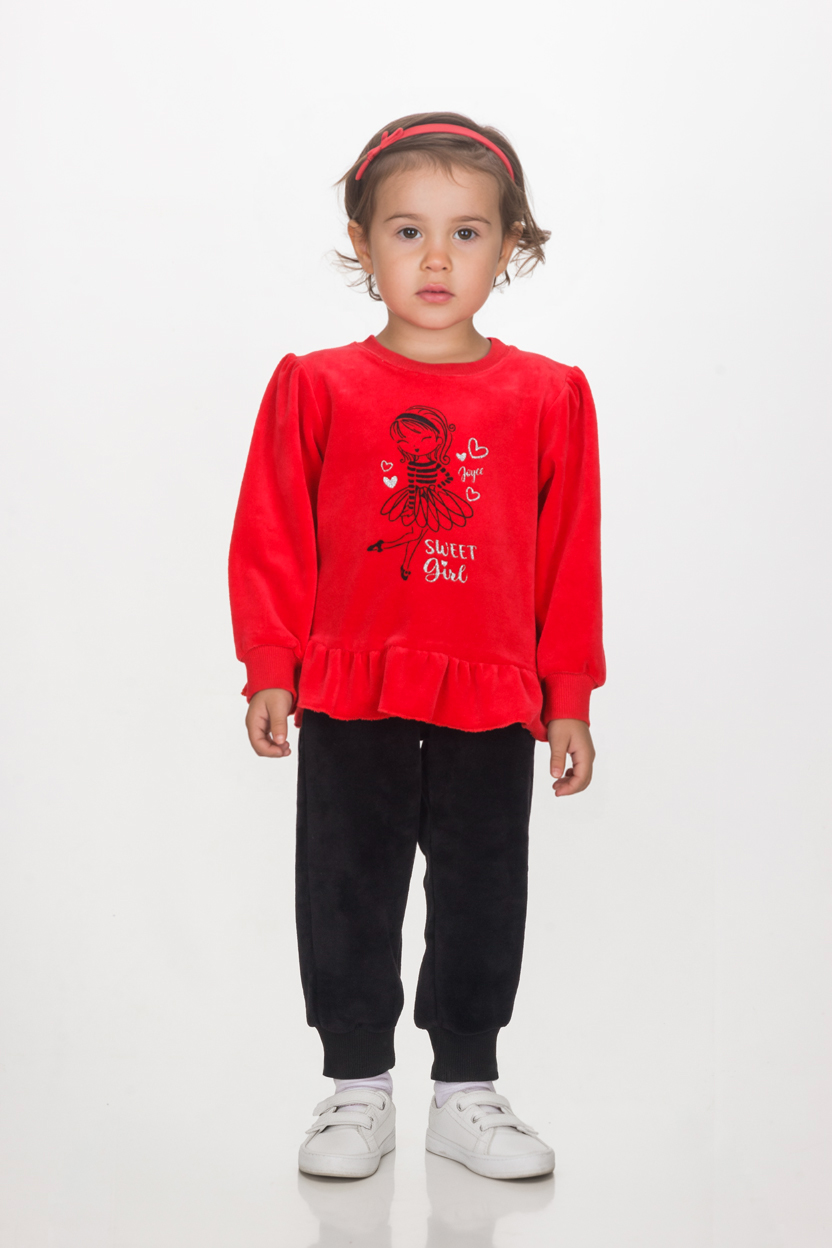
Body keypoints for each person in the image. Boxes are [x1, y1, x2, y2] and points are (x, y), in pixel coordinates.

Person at [228, 111, 605, 1181]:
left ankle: (465, 1090)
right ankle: (355, 1088)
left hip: (494, 690)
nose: (436, 260)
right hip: (352, 683)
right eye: (407, 231)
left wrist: (568, 696)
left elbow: (567, 556)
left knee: (484, 885)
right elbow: (272, 534)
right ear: (362, 241)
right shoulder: (316, 385)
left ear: (510, 244)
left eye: (466, 233)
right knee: (346, 881)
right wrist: (270, 666)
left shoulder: (549, 395)